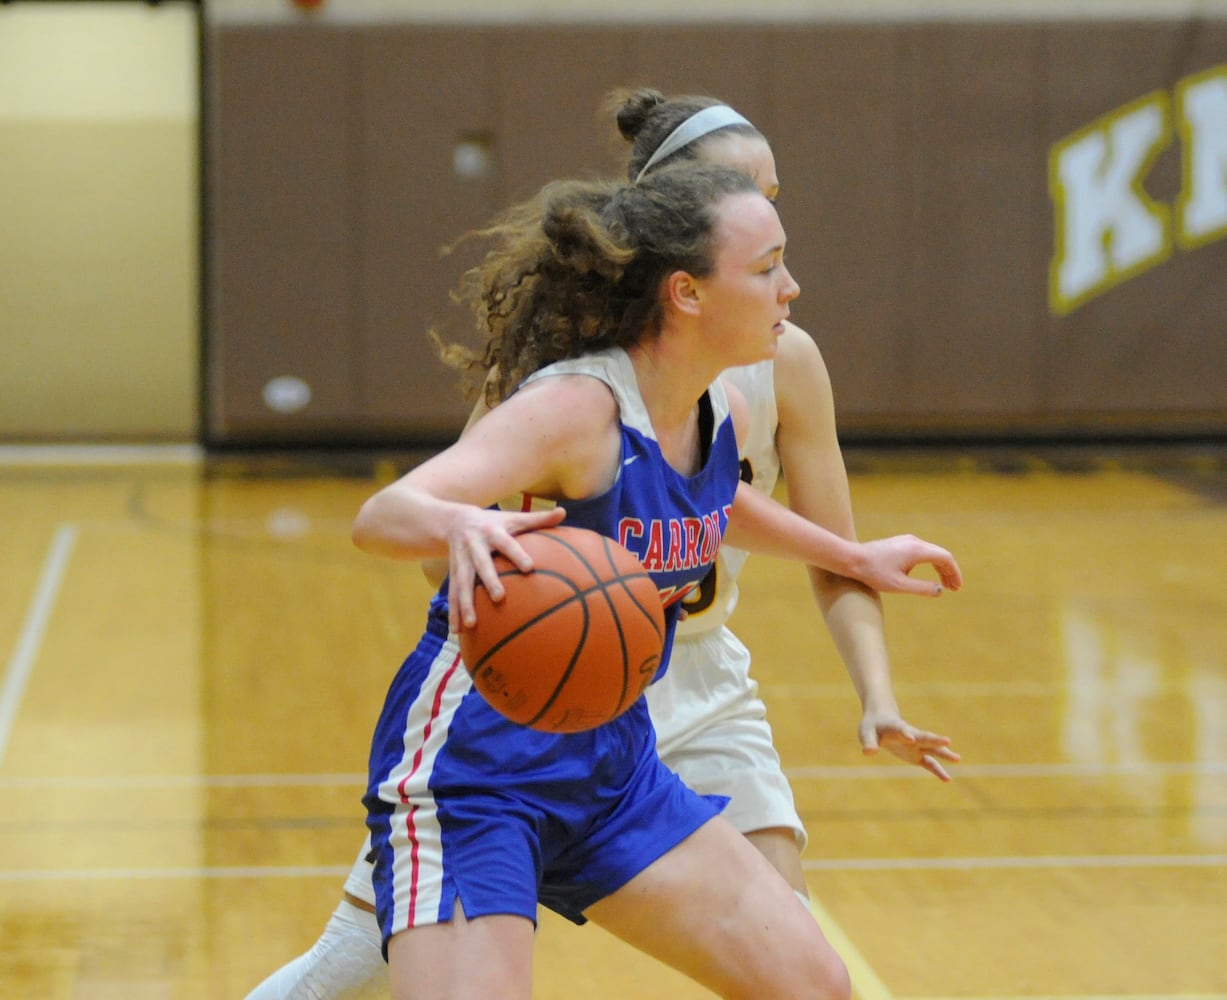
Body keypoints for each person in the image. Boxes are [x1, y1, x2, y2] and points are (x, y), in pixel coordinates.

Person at [245, 94, 961, 1000]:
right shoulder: (575, 405)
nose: (792, 288)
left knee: (815, 984)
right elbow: (385, 514)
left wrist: (850, 556)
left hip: (613, 757)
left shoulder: (720, 406)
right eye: (769, 266)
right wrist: (461, 520)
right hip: (479, 767)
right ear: (687, 288)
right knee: (349, 971)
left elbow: (713, 504)